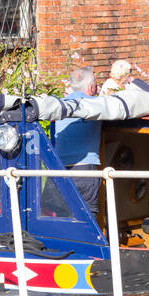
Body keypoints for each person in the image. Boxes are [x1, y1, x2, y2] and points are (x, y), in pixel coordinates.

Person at [54, 67, 102, 214]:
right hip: (84, 169)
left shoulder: (59, 106)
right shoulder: (96, 104)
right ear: (91, 87)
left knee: (60, 215)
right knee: (87, 216)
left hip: (59, 168)